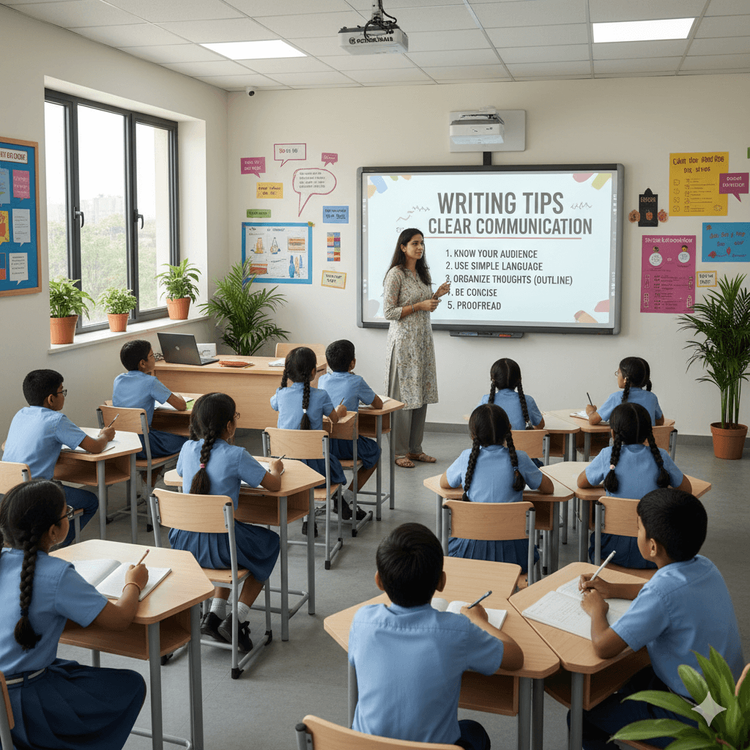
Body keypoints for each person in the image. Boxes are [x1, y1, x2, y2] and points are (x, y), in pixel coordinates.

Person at [577, 488, 744, 750]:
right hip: (730, 702)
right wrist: (612, 589)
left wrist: (596, 609)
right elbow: (661, 591)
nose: (637, 533)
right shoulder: (705, 566)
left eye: (638, 529)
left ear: (652, 547)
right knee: (627, 679)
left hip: (697, 716)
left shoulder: (661, 592)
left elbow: (603, 646)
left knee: (582, 715)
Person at [0, 479, 148, 750]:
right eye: (66, 513)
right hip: (25, 706)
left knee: (66, 668)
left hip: (6, 692)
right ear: (54, 531)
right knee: (131, 684)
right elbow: (120, 620)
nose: (69, 515)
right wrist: (134, 583)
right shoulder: (56, 574)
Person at [349, 523, 523, 748]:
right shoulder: (457, 631)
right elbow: (515, 658)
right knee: (474, 732)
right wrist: (479, 620)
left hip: (367, 746)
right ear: (441, 581)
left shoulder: (362, 620)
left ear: (378, 581)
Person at [170, 392, 282, 651]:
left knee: (233, 538)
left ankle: (214, 614)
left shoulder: (187, 449)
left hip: (184, 544)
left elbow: (181, 473)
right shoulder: (237, 455)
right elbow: (273, 486)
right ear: (230, 425)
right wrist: (275, 469)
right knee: (269, 543)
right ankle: (236, 619)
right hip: (221, 548)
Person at [2, 369, 115, 546]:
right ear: (51, 398)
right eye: (62, 391)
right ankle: (58, 546)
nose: (64, 396)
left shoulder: (21, 414)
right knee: (91, 502)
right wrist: (105, 435)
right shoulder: (56, 420)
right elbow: (95, 447)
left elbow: (4, 445)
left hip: (6, 491)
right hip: (34, 495)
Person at [577, 402, 691, 569]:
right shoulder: (661, 456)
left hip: (611, 551)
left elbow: (581, 482)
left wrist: (607, 484)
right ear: (649, 432)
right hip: (653, 552)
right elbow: (687, 489)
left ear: (613, 433)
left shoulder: (607, 455)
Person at [440, 404, 553, 572]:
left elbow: (444, 482)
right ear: (509, 429)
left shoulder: (466, 458)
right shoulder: (520, 458)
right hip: (514, 555)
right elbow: (548, 488)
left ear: (473, 435)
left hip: (471, 552)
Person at [383, 228, 450, 468]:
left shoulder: (422, 272)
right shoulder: (396, 274)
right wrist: (419, 306)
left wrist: (436, 295)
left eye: (422, 243)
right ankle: (398, 452)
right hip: (404, 345)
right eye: (414, 243)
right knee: (403, 398)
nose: (420, 247)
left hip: (422, 343)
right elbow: (389, 312)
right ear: (403, 247)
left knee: (420, 395)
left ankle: (415, 449)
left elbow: (423, 303)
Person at [271, 346, 347, 536]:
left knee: (320, 463)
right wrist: (340, 411)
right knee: (334, 464)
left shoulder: (280, 394)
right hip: (316, 472)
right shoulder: (321, 395)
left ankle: (308, 517)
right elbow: (334, 419)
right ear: (313, 372)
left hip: (285, 469)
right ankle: (337, 502)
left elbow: (274, 405)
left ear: (288, 372)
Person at [319, 339, 382, 521]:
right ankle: (346, 498)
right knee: (375, 451)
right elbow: (377, 404)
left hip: (323, 446)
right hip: (347, 446)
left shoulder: (322, 379)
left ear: (327, 362)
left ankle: (336, 498)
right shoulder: (356, 381)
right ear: (352, 363)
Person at [112, 339, 188, 466]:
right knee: (188, 442)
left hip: (123, 442)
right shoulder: (151, 382)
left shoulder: (118, 380)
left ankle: (151, 477)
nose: (155, 359)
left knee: (160, 434)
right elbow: (181, 405)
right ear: (142, 363)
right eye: (152, 356)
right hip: (143, 443)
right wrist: (178, 395)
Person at [586, 356, 664, 425]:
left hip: (620, 438)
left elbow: (593, 420)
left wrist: (591, 412)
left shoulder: (616, 397)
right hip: (648, 437)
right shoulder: (652, 397)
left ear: (625, 379)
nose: (617, 376)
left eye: (618, 373)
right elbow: (660, 421)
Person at [477, 358, 545, 431]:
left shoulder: (485, 400)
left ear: (493, 380)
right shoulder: (528, 400)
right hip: (522, 439)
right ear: (520, 379)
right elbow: (540, 425)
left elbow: (474, 425)